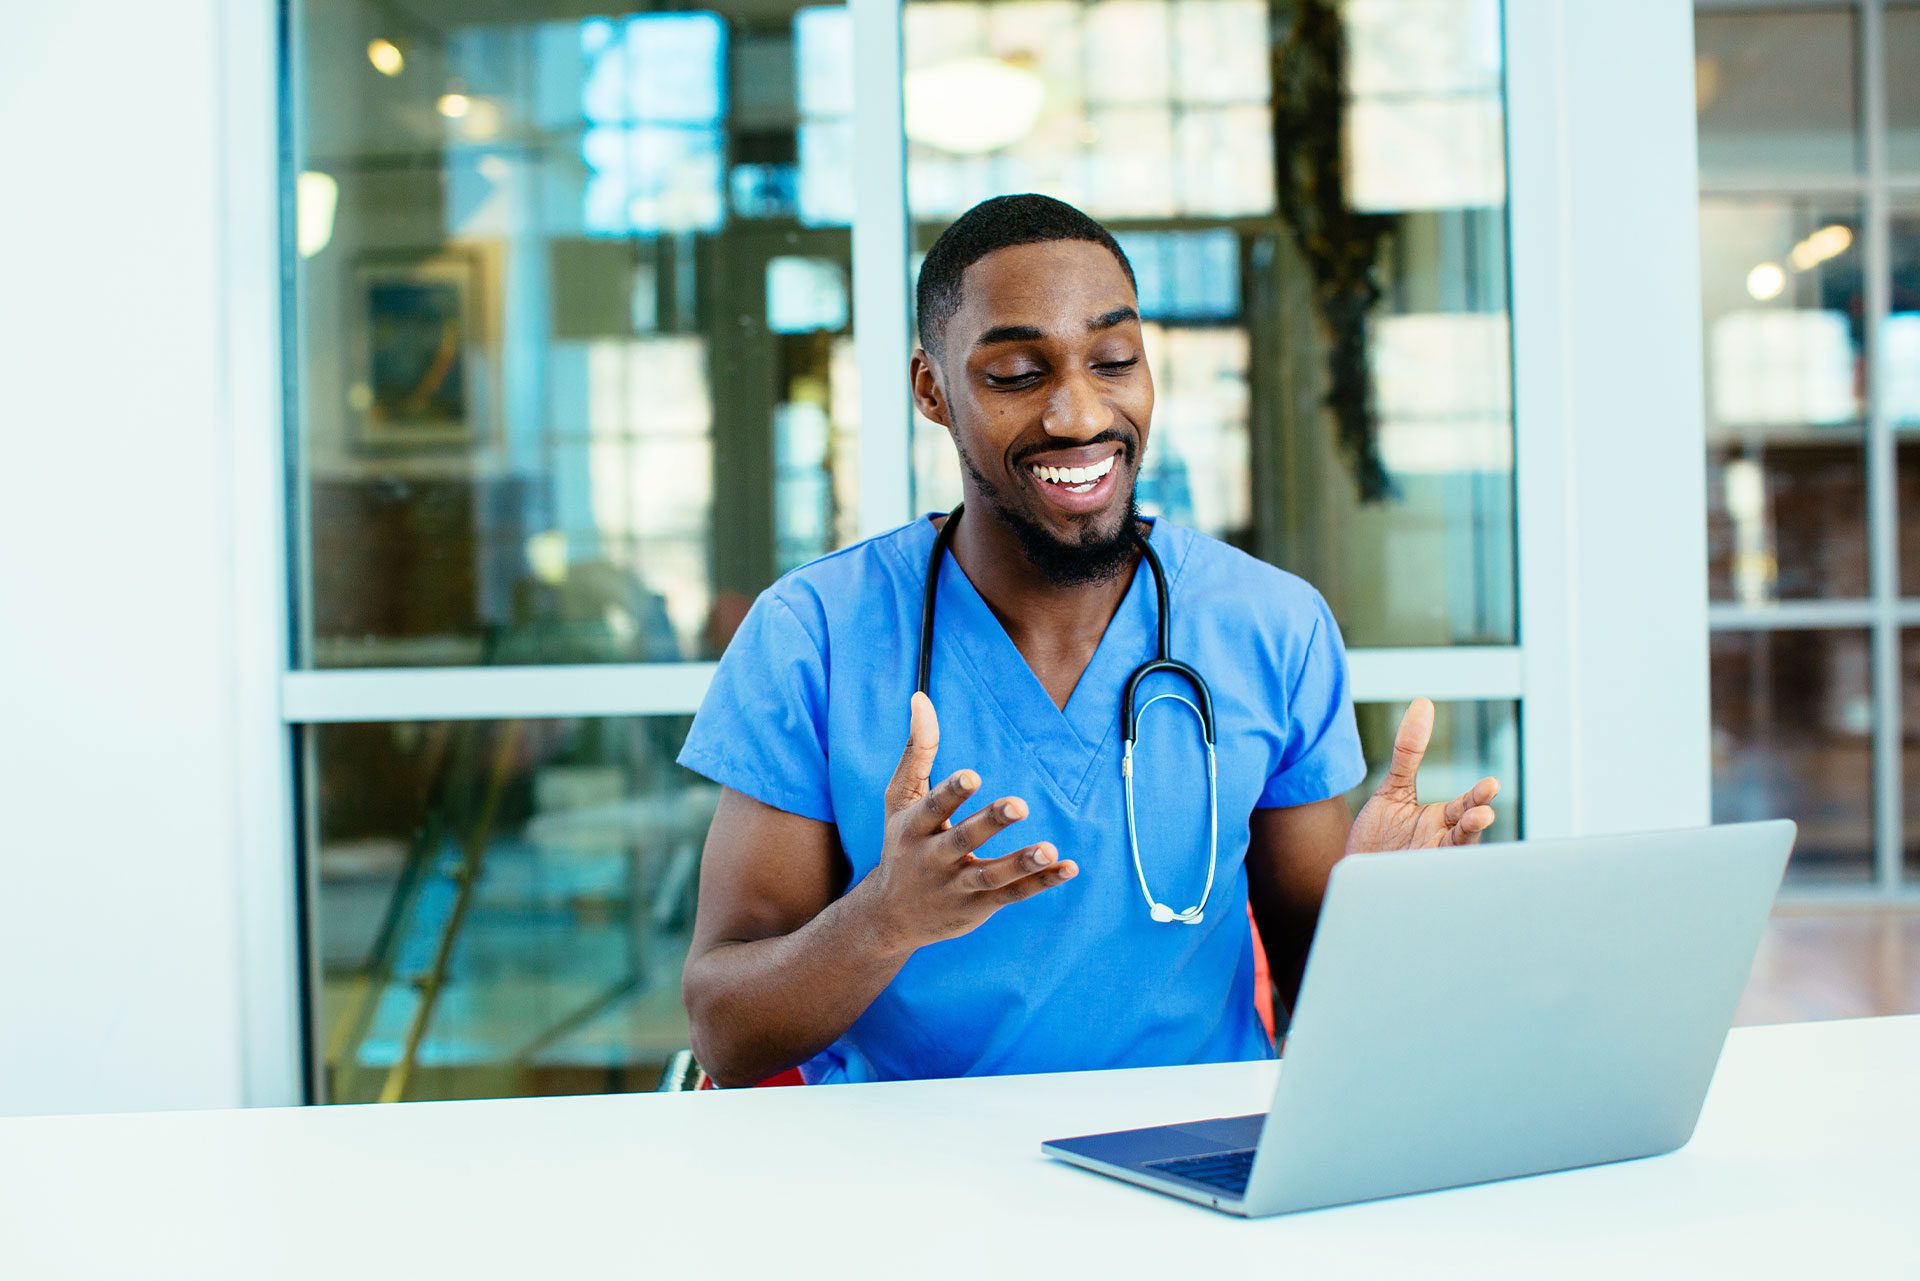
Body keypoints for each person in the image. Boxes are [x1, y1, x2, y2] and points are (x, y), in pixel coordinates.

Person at [677, 194, 1499, 1087]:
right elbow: (727, 1031)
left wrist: (1386, 920)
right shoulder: (817, 635)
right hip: (914, 1184)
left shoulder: (1270, 625)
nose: (1078, 414)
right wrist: (884, 917)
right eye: (1018, 373)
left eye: (1113, 359)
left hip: (1196, 1162)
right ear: (932, 390)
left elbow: (1320, 994)